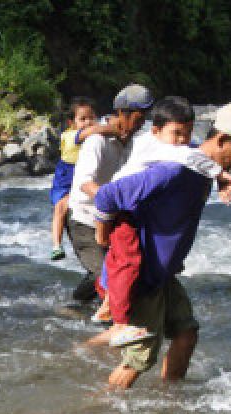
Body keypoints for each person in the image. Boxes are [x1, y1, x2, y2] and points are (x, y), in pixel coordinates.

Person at [92, 102, 231, 389]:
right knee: (139, 359)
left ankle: (172, 399)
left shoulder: (201, 166)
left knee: (186, 333)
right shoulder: (172, 171)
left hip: (161, 274)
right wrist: (101, 237)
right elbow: (107, 196)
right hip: (141, 275)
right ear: (221, 140)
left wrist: (219, 178)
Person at [98, 96, 231, 342]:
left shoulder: (175, 149)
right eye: (177, 134)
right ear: (156, 131)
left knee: (185, 332)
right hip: (124, 216)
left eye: (188, 132)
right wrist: (220, 175)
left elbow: (192, 154)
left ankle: (103, 318)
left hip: (132, 220)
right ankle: (119, 324)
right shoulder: (162, 155)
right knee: (127, 265)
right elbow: (107, 196)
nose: (183, 140)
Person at [66, 84, 154, 308]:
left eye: (145, 116)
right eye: (138, 116)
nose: (142, 122)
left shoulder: (134, 143)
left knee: (117, 273)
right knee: (108, 278)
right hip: (84, 219)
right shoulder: (97, 141)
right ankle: (105, 329)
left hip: (111, 219)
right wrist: (110, 199)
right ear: (122, 113)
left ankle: (79, 305)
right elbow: (84, 183)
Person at [50, 97, 97, 261]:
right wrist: (111, 129)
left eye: (91, 117)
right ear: (72, 122)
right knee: (61, 207)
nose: (89, 122)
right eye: (83, 119)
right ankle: (56, 245)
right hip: (67, 176)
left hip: (83, 175)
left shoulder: (94, 138)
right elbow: (89, 132)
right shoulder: (70, 136)